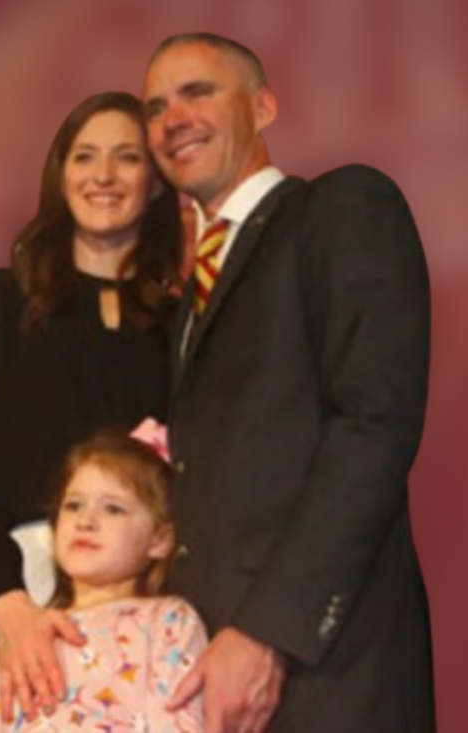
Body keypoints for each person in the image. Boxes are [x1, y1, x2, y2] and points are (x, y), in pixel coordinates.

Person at [140, 34, 435, 732]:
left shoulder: (340, 208)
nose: (172, 119)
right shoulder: (189, 294)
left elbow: (373, 424)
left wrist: (265, 633)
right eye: (154, 107)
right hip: (215, 681)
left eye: (197, 92)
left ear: (263, 107)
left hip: (327, 674)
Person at [0, 91, 183, 732]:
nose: (103, 176)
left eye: (127, 158)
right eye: (85, 156)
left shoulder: (181, 327)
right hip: (5, 595)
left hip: (138, 611)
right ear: (60, 175)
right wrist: (8, 607)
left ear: (155, 182)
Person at [0, 429, 207, 733]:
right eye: (73, 506)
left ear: (159, 540)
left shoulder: (169, 621)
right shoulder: (24, 639)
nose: (85, 520)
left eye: (113, 509)